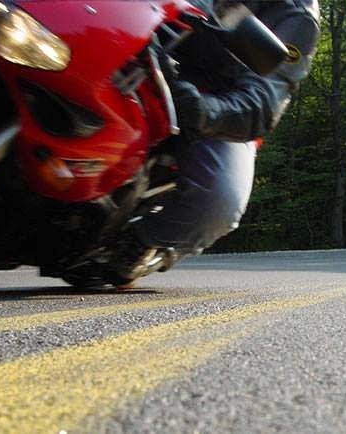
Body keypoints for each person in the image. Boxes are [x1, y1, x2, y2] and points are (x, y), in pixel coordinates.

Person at [113, 0, 321, 280]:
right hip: (129, 42)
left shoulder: (296, 16)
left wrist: (205, 112)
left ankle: (141, 242)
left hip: (211, 98)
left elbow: (264, 97)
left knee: (219, 202)